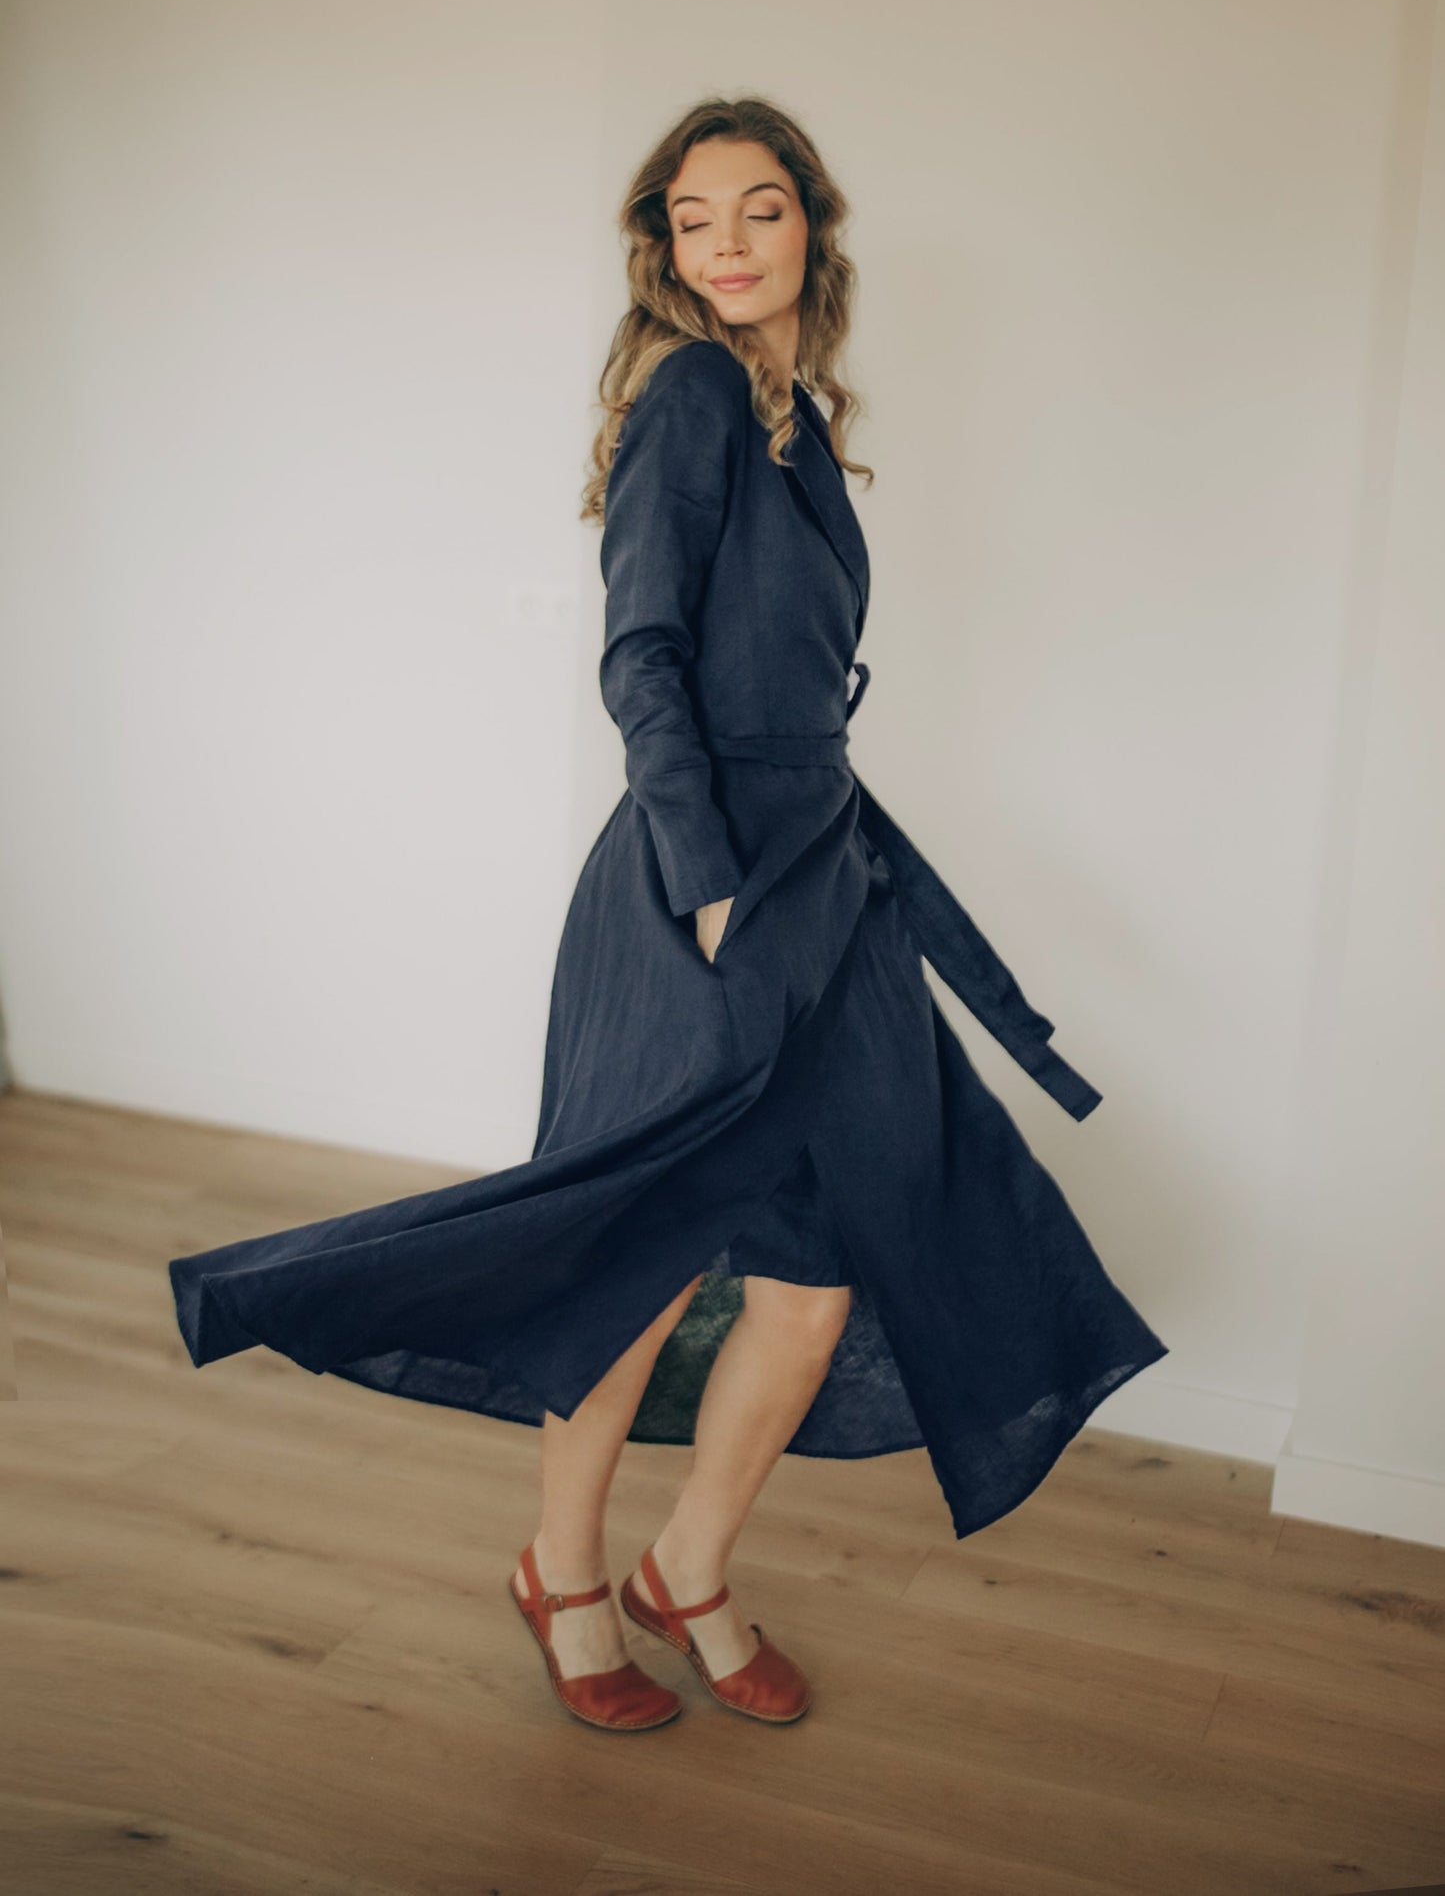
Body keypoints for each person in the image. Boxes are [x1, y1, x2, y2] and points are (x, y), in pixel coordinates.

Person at [168, 94, 1168, 1736]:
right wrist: (705, 880)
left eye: (756, 212)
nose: (723, 247)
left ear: (810, 230)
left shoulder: (793, 414)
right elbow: (641, 662)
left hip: (822, 873)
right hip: (699, 888)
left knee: (820, 1273)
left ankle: (683, 1569)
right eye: (693, 222)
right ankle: (564, 1576)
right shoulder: (690, 395)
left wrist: (797, 861)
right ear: (663, 247)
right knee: (629, 1258)